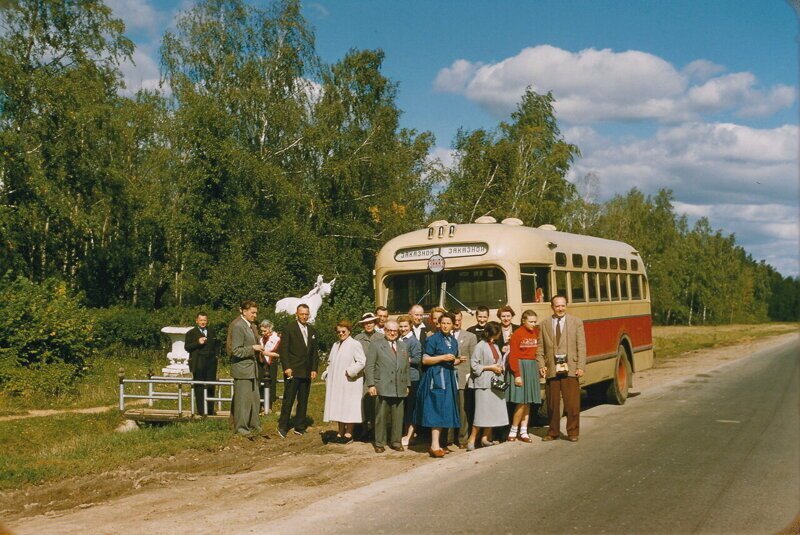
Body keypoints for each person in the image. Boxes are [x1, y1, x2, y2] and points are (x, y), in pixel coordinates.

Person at [538, 295, 586, 442]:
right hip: (552, 367)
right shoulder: (544, 324)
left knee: (572, 403)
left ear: (566, 305)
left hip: (571, 367)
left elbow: (581, 346)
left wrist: (581, 366)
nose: (560, 308)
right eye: (557, 306)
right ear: (552, 307)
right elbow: (540, 347)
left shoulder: (576, 322)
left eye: (562, 305)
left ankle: (573, 432)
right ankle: (553, 432)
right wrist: (541, 365)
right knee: (552, 403)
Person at [414, 311, 460, 458]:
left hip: (448, 377)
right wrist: (443, 357)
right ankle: (434, 445)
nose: (446, 326)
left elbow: (451, 359)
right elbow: (425, 360)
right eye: (443, 323)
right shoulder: (433, 339)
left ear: (453, 325)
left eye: (449, 323)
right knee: (437, 409)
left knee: (445, 409)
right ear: (439, 324)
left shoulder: (453, 341)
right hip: (436, 377)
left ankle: (440, 443)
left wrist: (457, 360)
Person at [365, 320, 410, 453]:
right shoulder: (376, 345)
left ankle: (396, 441)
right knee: (381, 416)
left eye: (395, 331)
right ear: (384, 330)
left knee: (398, 416)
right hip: (382, 386)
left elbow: (406, 367)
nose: (392, 333)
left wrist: (407, 384)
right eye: (389, 330)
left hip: (399, 386)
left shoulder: (403, 346)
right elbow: (370, 366)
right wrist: (371, 384)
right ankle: (379, 443)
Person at [277, 303, 320, 437]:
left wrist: (314, 368)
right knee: (289, 399)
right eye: (302, 314)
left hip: (306, 371)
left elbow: (314, 352)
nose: (304, 316)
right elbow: (284, 350)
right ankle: (283, 426)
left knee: (303, 399)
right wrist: (287, 367)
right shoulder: (289, 328)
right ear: (297, 314)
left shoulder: (312, 331)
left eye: (306, 314)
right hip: (293, 370)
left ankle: (299, 426)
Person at [322, 320, 366, 444]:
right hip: (337, 381)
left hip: (350, 382)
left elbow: (362, 361)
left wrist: (350, 371)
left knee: (349, 406)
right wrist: (327, 372)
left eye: (343, 331)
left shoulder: (355, 344)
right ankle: (340, 432)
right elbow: (331, 362)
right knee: (338, 406)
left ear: (349, 331)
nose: (341, 334)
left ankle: (349, 433)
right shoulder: (336, 345)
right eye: (339, 332)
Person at [467, 321, 508, 450]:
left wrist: (500, 367)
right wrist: (490, 367)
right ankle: (472, 440)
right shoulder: (480, 346)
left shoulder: (495, 346)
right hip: (484, 383)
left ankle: (485, 438)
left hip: (495, 382)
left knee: (493, 411)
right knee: (482, 412)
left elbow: (498, 361)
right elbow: (474, 365)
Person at [506, 310, 543, 442]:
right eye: (531, 321)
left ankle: (524, 431)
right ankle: (513, 430)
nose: (533, 324)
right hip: (521, 367)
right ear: (523, 321)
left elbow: (538, 352)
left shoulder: (535, 333)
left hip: (531, 367)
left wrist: (540, 367)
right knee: (521, 402)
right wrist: (517, 374)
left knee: (528, 401)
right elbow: (513, 356)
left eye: (535, 321)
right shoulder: (517, 334)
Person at [230, 301, 266, 438]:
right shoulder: (239, 327)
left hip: (252, 370)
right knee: (243, 402)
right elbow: (236, 351)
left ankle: (254, 425)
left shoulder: (250, 326)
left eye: (256, 312)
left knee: (254, 399)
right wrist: (253, 348)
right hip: (242, 370)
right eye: (252, 312)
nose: (255, 315)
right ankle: (241, 428)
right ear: (244, 312)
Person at [450, 310, 478, 448]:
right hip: (447, 377)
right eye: (454, 319)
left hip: (463, 377)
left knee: (463, 409)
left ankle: (462, 438)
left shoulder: (470, 336)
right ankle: (448, 438)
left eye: (459, 319)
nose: (457, 322)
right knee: (449, 408)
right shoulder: (442, 336)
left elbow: (474, 359)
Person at [185, 312, 220, 416]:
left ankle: (210, 410)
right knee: (199, 386)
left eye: (204, 320)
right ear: (197, 321)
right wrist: (198, 342)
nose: (203, 322)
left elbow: (217, 344)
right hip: (198, 362)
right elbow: (187, 347)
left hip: (211, 362)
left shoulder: (211, 331)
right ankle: (201, 411)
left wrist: (216, 356)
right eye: (201, 320)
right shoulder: (191, 333)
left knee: (211, 385)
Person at [397, 315, 422, 447]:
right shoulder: (398, 339)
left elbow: (418, 359)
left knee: (411, 408)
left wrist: (403, 360)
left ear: (410, 326)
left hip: (412, 378)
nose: (403, 329)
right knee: (403, 407)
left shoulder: (414, 341)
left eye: (405, 326)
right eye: (401, 326)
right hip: (400, 378)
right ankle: (403, 433)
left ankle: (410, 434)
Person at [258, 320, 281, 408]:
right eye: (262, 331)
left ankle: (269, 406)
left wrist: (265, 353)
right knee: (261, 382)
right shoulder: (261, 339)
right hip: (262, 363)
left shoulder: (277, 338)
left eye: (265, 331)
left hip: (272, 363)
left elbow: (278, 354)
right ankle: (261, 405)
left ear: (270, 329)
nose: (263, 333)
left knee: (271, 383)